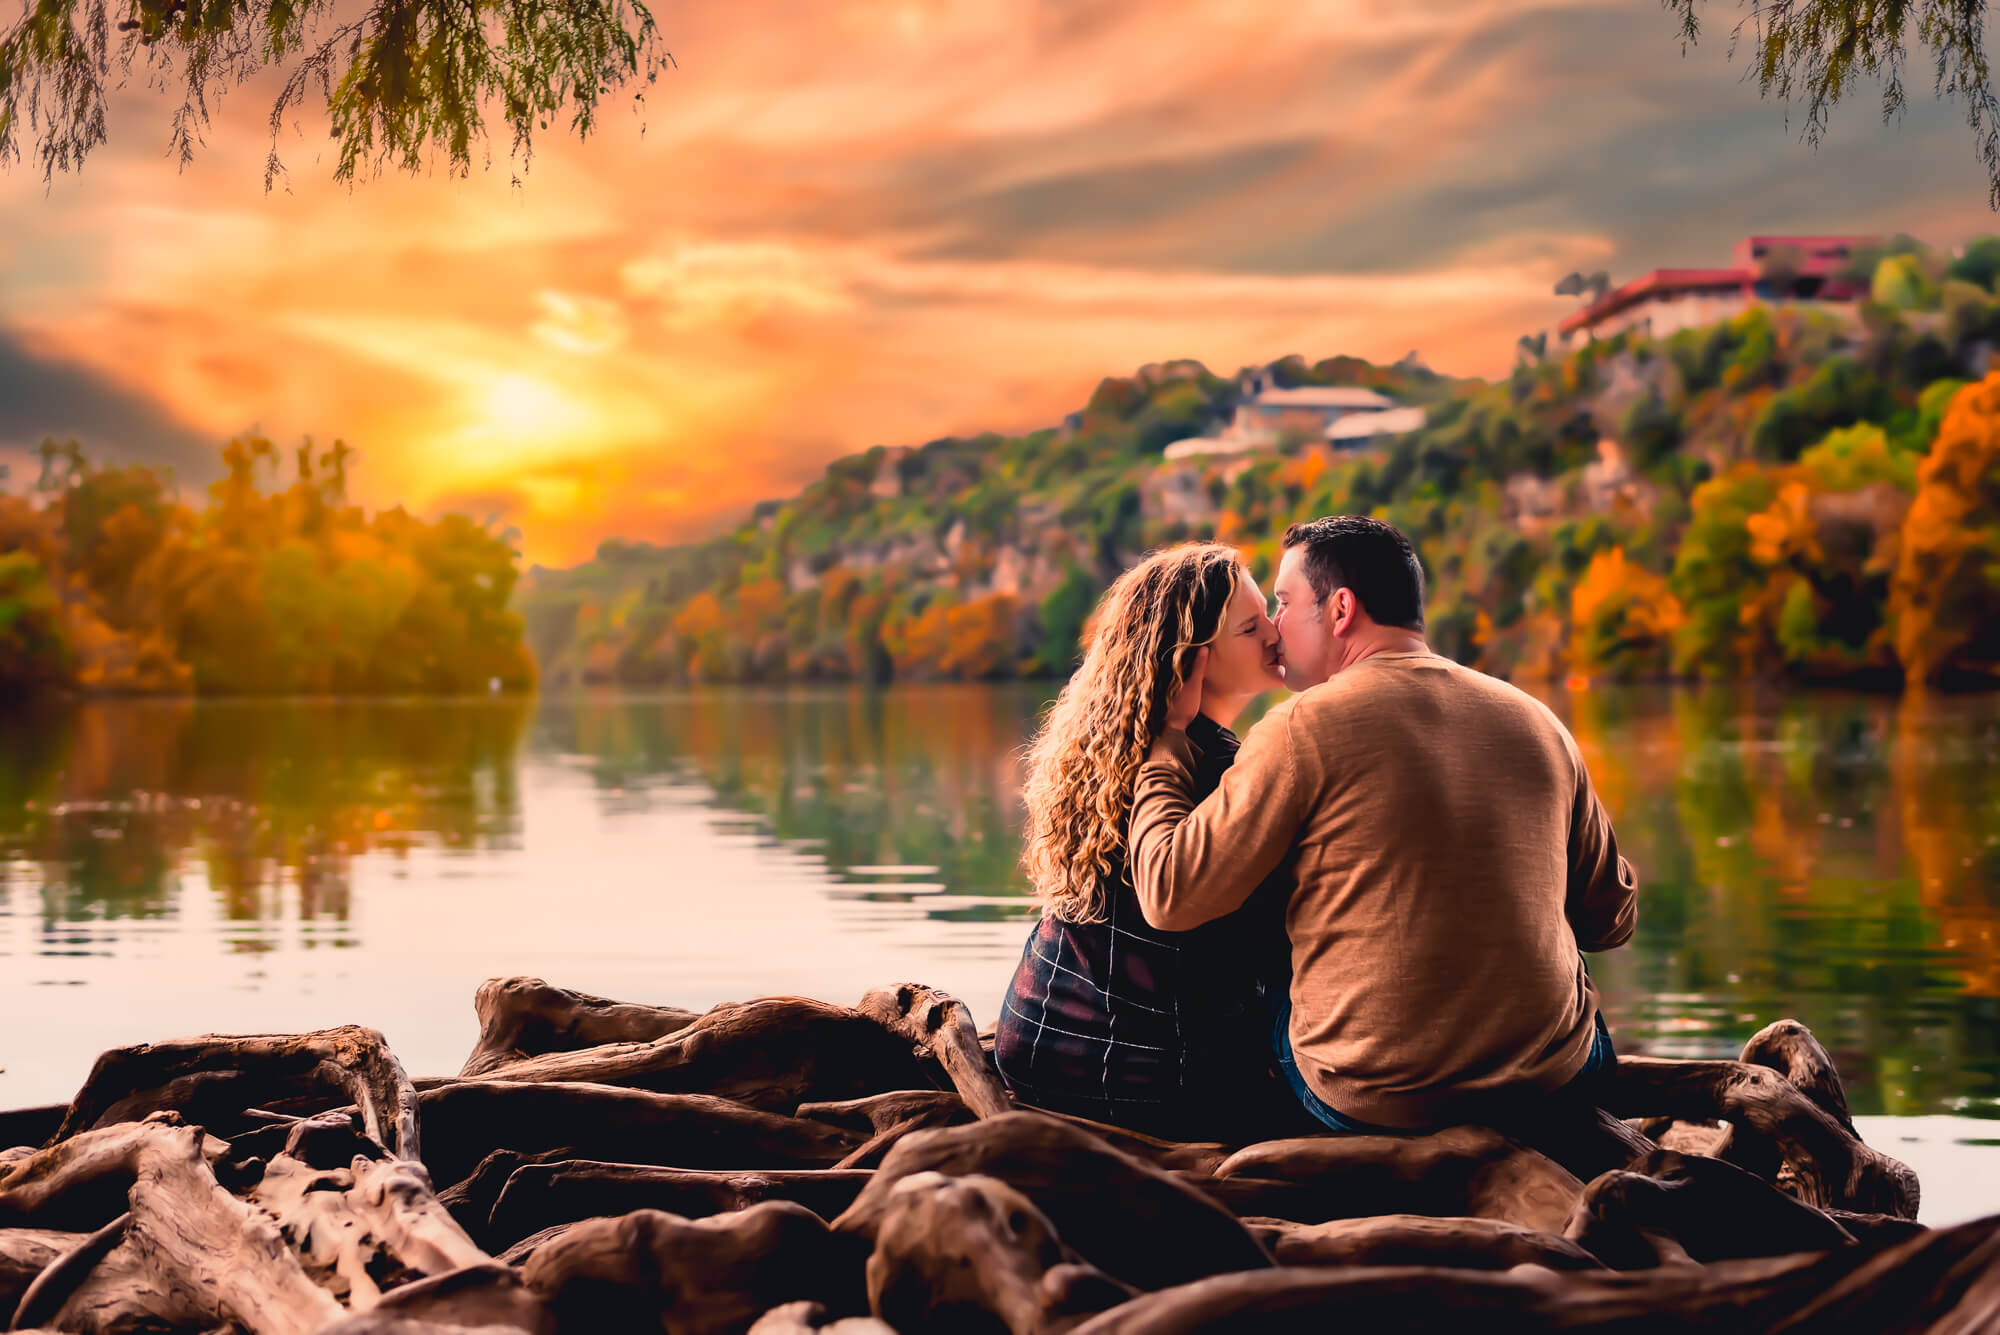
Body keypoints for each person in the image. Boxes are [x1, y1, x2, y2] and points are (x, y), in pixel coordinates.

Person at [1128, 515, 1637, 1135]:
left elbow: (1170, 894)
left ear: (1340, 609)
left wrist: (1167, 747)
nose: (1275, 628)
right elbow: (1611, 921)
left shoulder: (1298, 728)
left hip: (1372, 1103)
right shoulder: (1539, 722)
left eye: (1283, 603)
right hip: (1550, 1088)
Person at [993, 543, 1299, 1141]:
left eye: (1269, 610)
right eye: (1250, 625)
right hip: (1151, 1081)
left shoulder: (1101, 755)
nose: (1274, 630)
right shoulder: (1228, 775)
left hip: (1033, 1041)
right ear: (1193, 665)